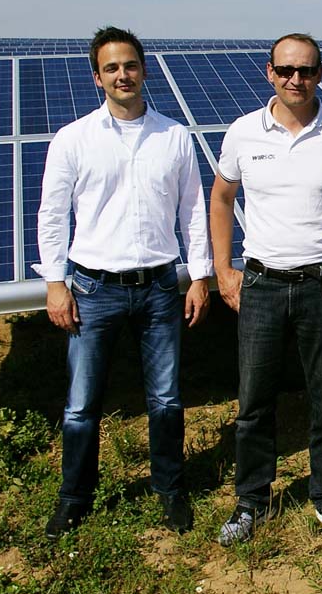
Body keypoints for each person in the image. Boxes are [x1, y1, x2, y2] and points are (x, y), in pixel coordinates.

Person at [35, 26, 210, 538]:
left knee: (166, 399)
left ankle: (170, 491)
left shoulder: (174, 136)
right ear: (98, 77)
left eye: (130, 65)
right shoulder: (73, 139)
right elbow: (52, 214)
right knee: (81, 404)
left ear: (143, 70)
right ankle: (74, 498)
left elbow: (193, 212)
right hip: (93, 289)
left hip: (159, 288)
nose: (122, 75)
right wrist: (54, 282)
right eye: (111, 68)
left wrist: (198, 276)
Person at [210, 32, 322, 551]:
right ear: (270, 73)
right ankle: (251, 501)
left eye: (305, 70)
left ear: (319, 74)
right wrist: (223, 269)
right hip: (261, 284)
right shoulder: (243, 133)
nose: (295, 79)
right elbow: (221, 199)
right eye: (286, 70)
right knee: (254, 402)